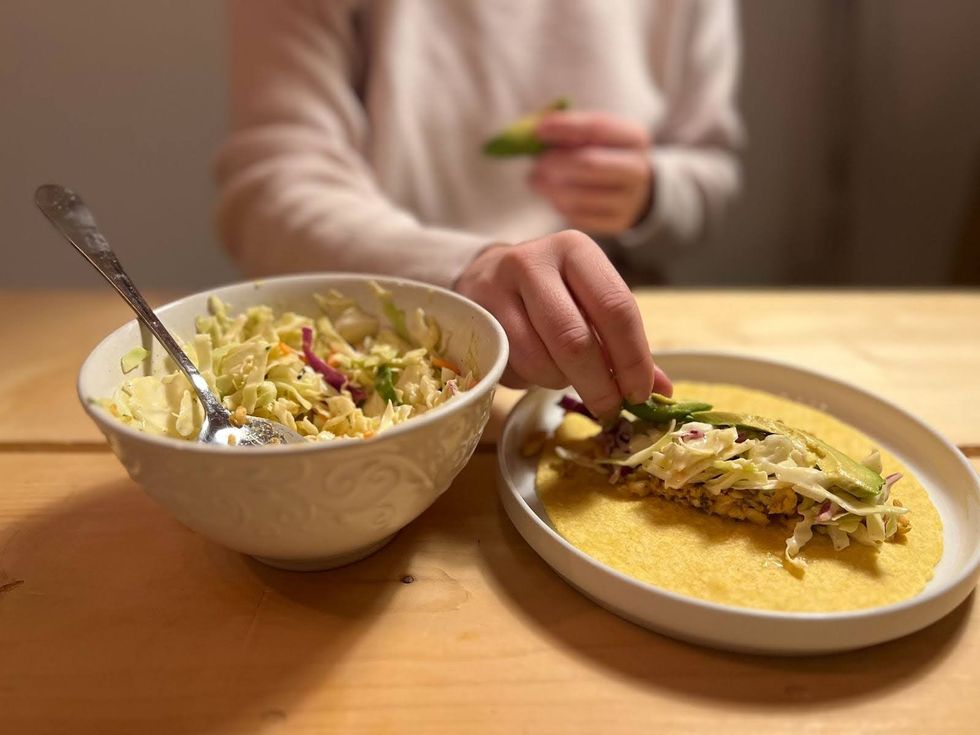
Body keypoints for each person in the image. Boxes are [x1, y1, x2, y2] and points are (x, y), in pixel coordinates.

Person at [214, 0, 742, 418]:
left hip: (618, 343)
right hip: (382, 356)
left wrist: (653, 193)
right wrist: (464, 271)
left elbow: (711, 172)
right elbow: (271, 190)